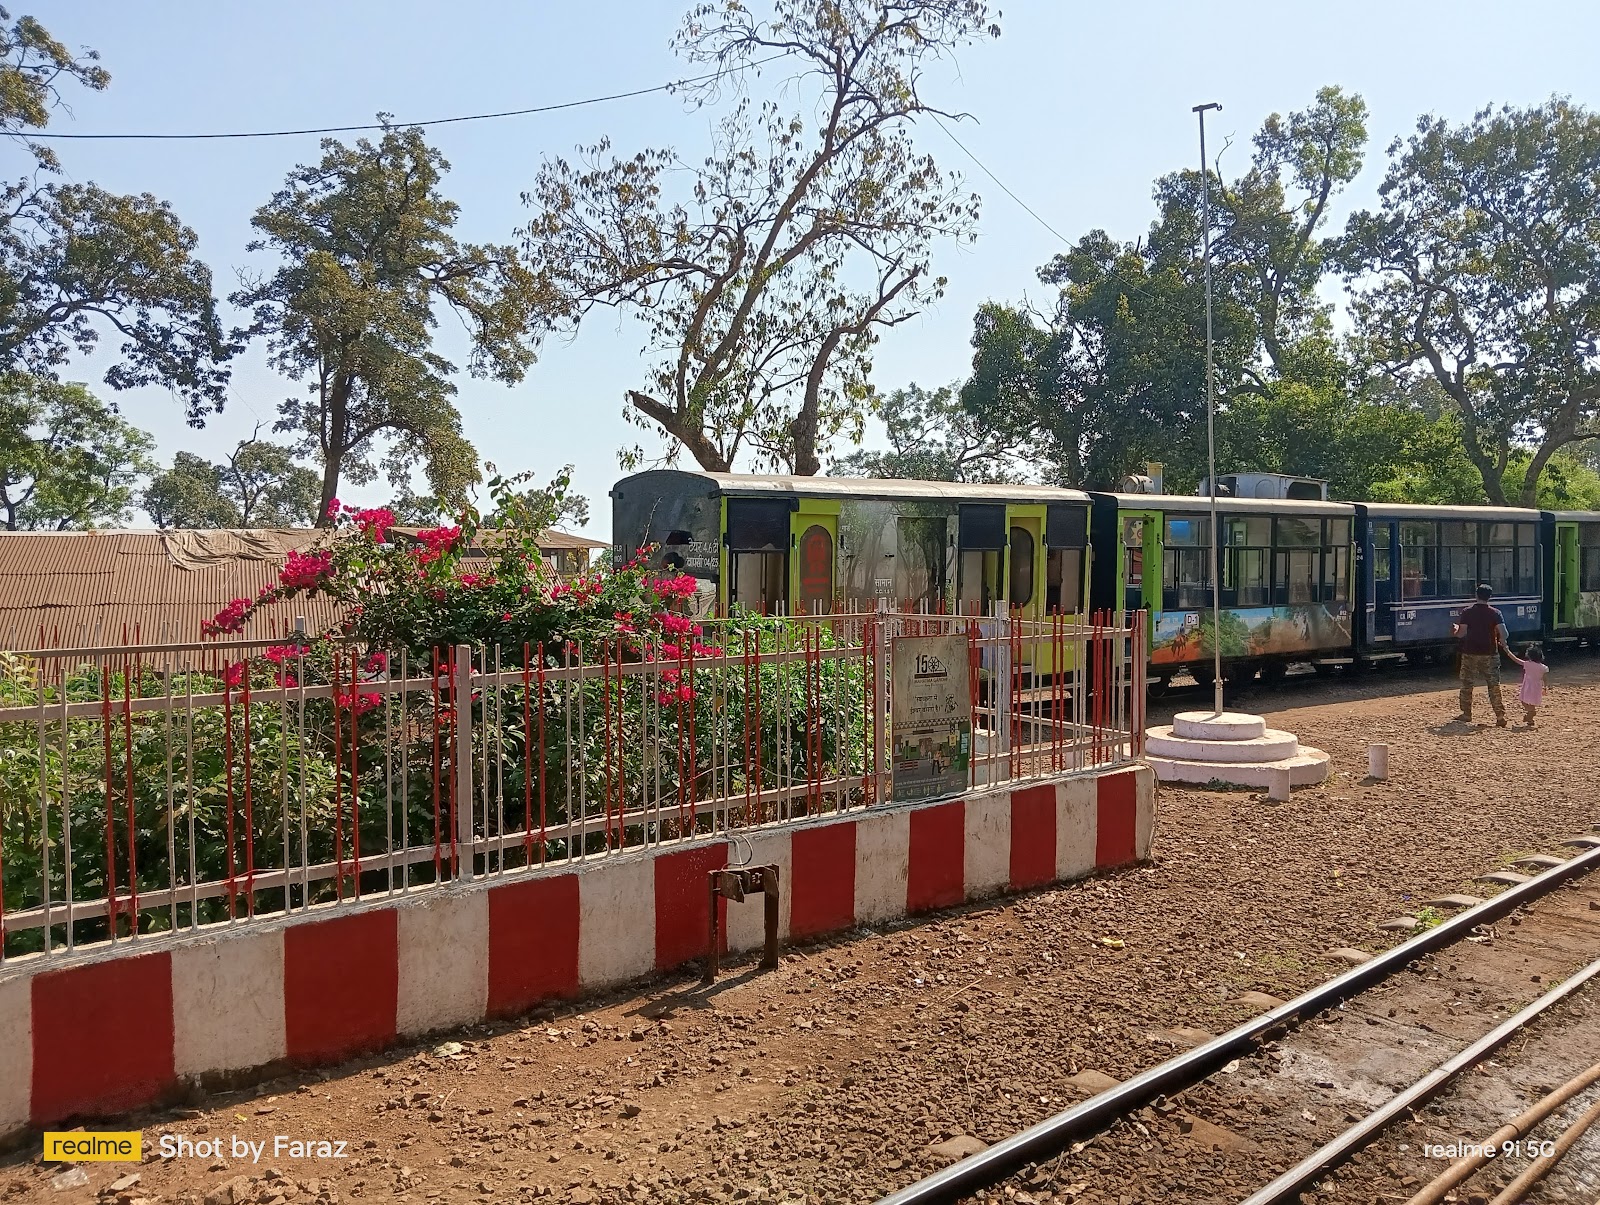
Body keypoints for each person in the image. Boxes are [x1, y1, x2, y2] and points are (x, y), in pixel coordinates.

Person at [1450, 584, 1509, 726]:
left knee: (1467, 684)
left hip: (1470, 652)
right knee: (1494, 685)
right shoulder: (1496, 613)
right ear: (1490, 597)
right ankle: (1500, 716)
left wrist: (1455, 630)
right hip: (1490, 653)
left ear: (1476, 595)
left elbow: (1461, 634)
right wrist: (1500, 639)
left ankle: (1466, 713)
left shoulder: (1467, 612)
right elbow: (1505, 634)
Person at [1502, 643, 1549, 727]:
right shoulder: (1543, 667)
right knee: (1532, 701)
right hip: (1537, 687)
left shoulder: (1527, 664)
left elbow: (1515, 659)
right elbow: (1544, 678)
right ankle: (1530, 717)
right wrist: (1545, 687)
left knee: (1524, 700)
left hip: (1527, 685)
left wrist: (1507, 650)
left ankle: (1530, 713)